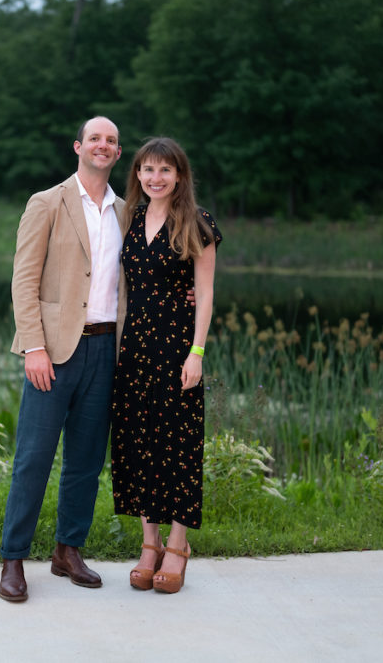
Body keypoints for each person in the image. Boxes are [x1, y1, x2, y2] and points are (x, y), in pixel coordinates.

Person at [0, 116, 128, 602]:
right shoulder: (46, 203)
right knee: (33, 458)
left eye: (111, 141)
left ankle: (67, 550)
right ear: (79, 147)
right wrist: (33, 346)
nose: (103, 145)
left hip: (104, 349)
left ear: (118, 154)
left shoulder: (125, 209)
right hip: (53, 351)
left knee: (86, 461)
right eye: (95, 138)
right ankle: (13, 558)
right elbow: (23, 280)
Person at [111, 137, 222, 594]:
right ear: (137, 175)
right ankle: (149, 545)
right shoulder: (130, 221)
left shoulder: (197, 224)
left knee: (177, 443)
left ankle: (178, 546)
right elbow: (121, 287)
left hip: (177, 349)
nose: (155, 178)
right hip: (134, 348)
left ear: (180, 176)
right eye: (147, 170)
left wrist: (196, 353)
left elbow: (206, 293)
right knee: (138, 442)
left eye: (165, 171)